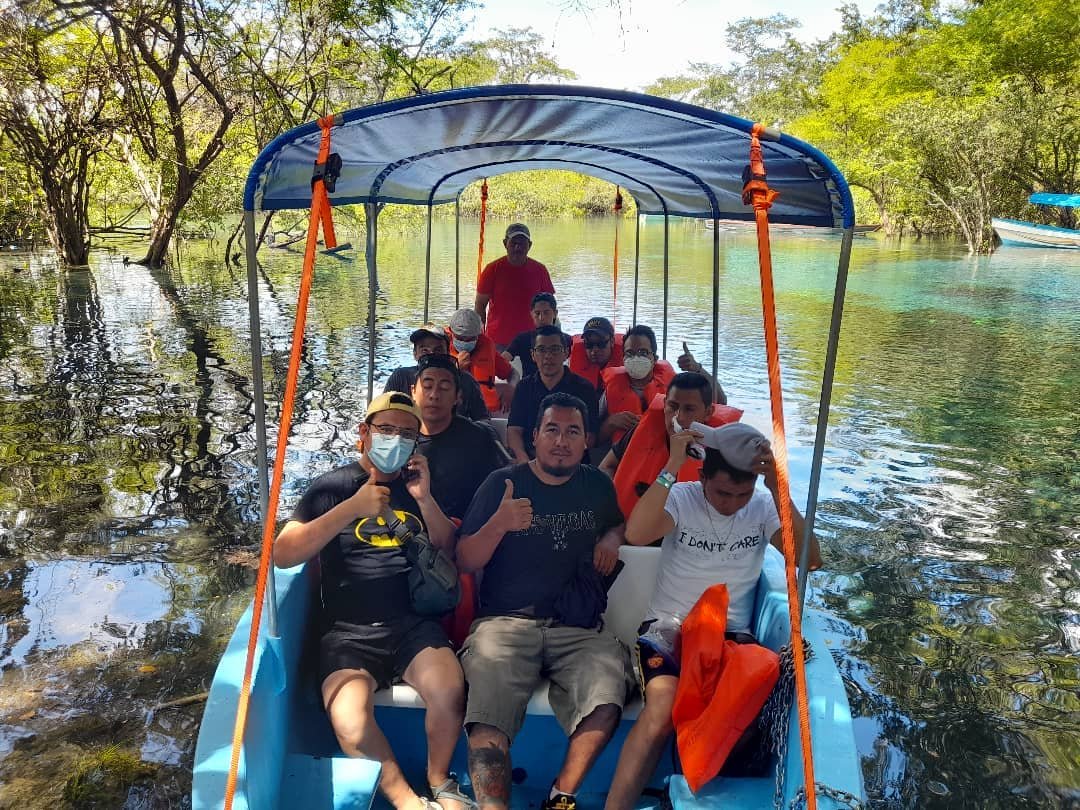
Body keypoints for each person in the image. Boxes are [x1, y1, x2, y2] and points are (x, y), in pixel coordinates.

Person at [604, 422, 822, 810]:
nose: (732, 503)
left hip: (730, 635)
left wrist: (775, 487)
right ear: (702, 476)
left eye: (742, 493)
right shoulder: (682, 498)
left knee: (742, 711)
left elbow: (810, 558)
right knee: (661, 711)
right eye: (722, 492)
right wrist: (672, 465)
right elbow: (636, 534)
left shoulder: (763, 505)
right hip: (666, 630)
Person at [273, 391, 470, 810]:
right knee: (350, 721)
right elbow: (284, 552)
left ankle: (440, 780)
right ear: (364, 433)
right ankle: (407, 802)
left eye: (406, 434)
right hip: (347, 633)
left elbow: (447, 548)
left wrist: (424, 498)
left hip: (412, 624)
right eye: (386, 430)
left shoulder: (417, 485)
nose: (395, 440)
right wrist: (352, 508)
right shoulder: (332, 486)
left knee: (450, 689)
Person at [456, 392, 635, 810]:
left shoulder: (596, 484)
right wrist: (499, 524)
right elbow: (465, 559)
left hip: (576, 627)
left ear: (587, 440)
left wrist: (611, 538)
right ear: (534, 436)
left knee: (608, 694)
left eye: (572, 431)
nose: (561, 440)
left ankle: (561, 796)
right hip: (505, 624)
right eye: (552, 430)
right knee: (486, 714)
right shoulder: (503, 483)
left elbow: (617, 524)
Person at [598, 371, 743, 519]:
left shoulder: (724, 454)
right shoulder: (640, 432)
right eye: (672, 406)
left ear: (708, 412)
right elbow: (606, 466)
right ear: (665, 403)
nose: (678, 417)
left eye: (689, 409)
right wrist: (611, 495)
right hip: (636, 527)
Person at [411, 352, 511, 521]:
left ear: (457, 397)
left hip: (464, 532)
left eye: (444, 388)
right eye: (427, 386)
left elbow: (496, 493)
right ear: (413, 392)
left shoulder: (479, 438)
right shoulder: (398, 437)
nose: (434, 395)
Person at [506, 326, 599, 463]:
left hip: (571, 463)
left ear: (566, 353)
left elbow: (589, 437)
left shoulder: (584, 388)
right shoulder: (524, 387)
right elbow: (514, 430)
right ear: (533, 355)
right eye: (541, 350)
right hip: (530, 461)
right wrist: (523, 460)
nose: (548, 356)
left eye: (555, 349)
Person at [384, 324, 491, 423]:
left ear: (447, 352)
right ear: (415, 354)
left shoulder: (466, 381)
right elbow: (383, 413)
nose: (432, 356)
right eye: (424, 350)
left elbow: (483, 420)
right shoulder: (400, 377)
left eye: (438, 350)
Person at [474, 223, 555, 350]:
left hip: (533, 340)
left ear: (530, 245)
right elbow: (480, 306)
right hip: (498, 342)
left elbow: (550, 305)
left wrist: (550, 335)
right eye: (513, 243)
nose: (518, 247)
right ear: (505, 243)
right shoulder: (492, 270)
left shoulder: (540, 270)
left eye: (522, 243)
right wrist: (479, 337)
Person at [598, 325, 676, 446]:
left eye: (643, 352)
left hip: (662, 456)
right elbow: (595, 439)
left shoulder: (673, 390)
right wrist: (611, 422)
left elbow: (714, 399)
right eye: (630, 353)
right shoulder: (611, 390)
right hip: (621, 460)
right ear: (623, 359)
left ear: (654, 358)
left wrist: (697, 369)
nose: (636, 358)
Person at [448, 308, 513, 415]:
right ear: (451, 332)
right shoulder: (440, 346)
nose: (464, 341)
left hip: (485, 414)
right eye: (460, 338)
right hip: (452, 414)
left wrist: (511, 388)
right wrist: (456, 368)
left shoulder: (487, 345)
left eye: (470, 338)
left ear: (478, 335)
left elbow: (512, 372)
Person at [501, 291, 558, 379]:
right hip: (528, 388)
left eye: (546, 312)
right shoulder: (522, 339)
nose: (541, 318)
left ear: (555, 313)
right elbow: (502, 360)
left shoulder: (566, 340)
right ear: (531, 314)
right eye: (537, 313)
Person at [568, 316, 624, 392]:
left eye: (601, 343)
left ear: (612, 342)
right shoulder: (569, 362)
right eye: (589, 344)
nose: (594, 350)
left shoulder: (629, 363)